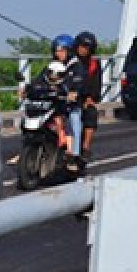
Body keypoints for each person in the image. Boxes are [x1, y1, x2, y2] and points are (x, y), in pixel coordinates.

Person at [35, 34, 85, 169]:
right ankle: (27, 149)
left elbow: (79, 82)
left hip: (69, 105)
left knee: (74, 120)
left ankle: (74, 155)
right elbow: (40, 79)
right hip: (53, 103)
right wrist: (28, 88)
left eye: (62, 50)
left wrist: (74, 92)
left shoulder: (76, 65)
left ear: (69, 51)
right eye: (57, 50)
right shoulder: (52, 66)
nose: (59, 54)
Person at [73, 30, 102, 160]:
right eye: (82, 46)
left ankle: (85, 148)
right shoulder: (69, 61)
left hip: (83, 98)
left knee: (91, 112)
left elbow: (96, 85)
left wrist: (90, 98)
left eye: (87, 47)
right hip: (64, 97)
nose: (84, 50)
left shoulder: (94, 64)